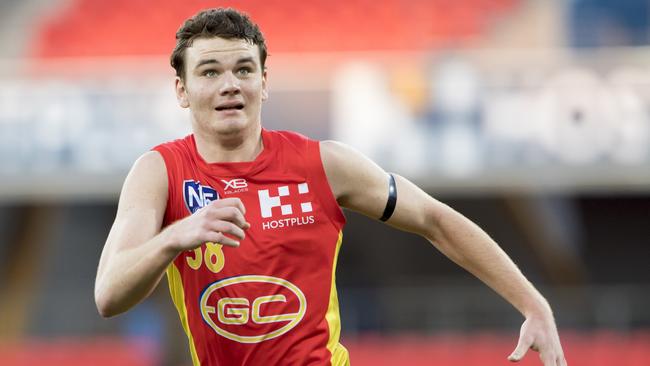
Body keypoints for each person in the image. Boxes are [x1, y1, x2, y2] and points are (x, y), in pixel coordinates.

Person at [94, 8, 567, 366]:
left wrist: (533, 303)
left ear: (264, 80)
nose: (229, 85)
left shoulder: (323, 164)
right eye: (210, 72)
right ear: (182, 89)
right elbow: (109, 296)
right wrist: (177, 235)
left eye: (243, 69)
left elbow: (434, 218)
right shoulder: (159, 172)